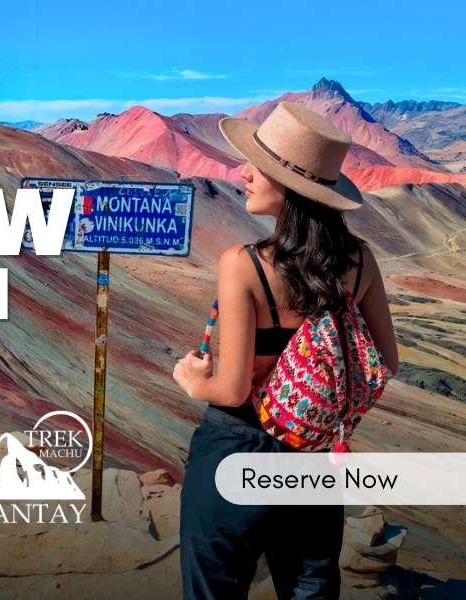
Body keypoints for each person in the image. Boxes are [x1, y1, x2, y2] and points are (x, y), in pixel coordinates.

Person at [171, 102, 399, 600]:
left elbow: (231, 388)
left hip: (238, 447)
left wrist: (190, 378)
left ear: (292, 189)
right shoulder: (359, 262)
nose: (243, 173)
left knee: (215, 587)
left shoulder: (244, 266)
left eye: (260, 167)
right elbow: (388, 361)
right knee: (309, 587)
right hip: (312, 456)